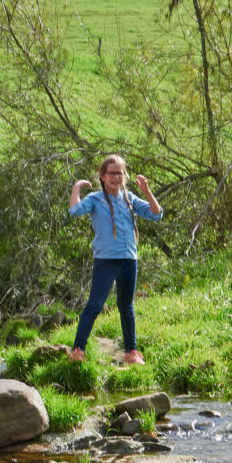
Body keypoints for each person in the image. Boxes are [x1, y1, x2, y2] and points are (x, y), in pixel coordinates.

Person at [68, 154, 162, 365]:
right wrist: (76, 188)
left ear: (124, 175)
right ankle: (78, 350)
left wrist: (147, 191)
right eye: (111, 173)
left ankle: (131, 353)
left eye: (120, 173)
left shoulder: (130, 198)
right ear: (103, 176)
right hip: (105, 262)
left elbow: (156, 214)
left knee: (126, 306)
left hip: (129, 260)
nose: (116, 177)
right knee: (94, 305)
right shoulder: (95, 199)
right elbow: (75, 211)